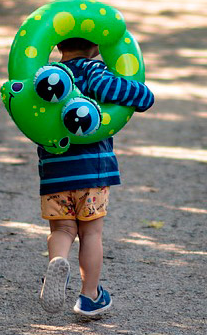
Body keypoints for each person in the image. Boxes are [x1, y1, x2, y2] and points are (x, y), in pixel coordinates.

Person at [39, 36, 154, 316]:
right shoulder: (94, 71)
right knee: (91, 233)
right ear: (96, 46)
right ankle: (89, 296)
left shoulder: (45, 78)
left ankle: (58, 262)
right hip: (92, 171)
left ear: (57, 45)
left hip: (54, 171)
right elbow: (142, 99)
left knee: (63, 230)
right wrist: (142, 89)